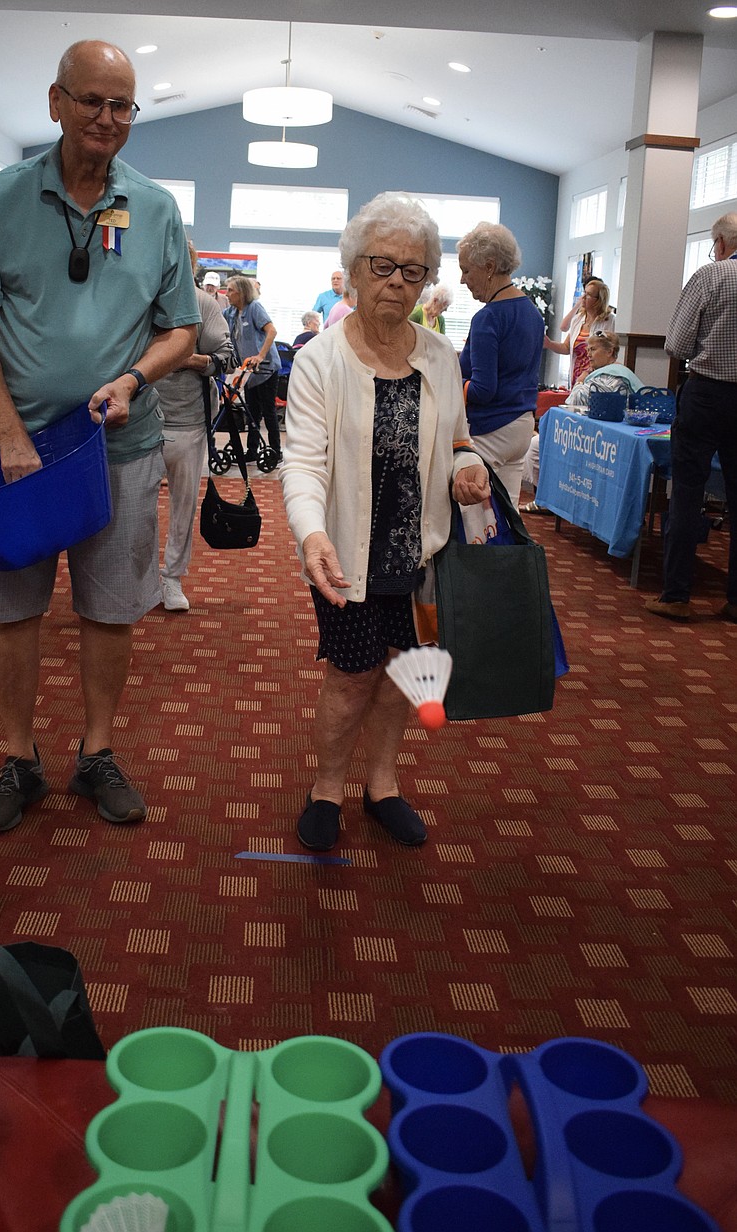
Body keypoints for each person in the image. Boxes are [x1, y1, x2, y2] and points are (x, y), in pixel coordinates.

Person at [0, 39, 199, 833]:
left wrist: (133, 380)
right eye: (92, 100)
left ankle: (97, 753)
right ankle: (18, 758)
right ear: (56, 102)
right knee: (11, 606)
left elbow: (181, 330)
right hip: (13, 447)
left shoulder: (154, 208)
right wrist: (10, 433)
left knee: (112, 608)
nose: (107, 118)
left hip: (117, 444)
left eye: (122, 105)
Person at [281, 191, 489, 853]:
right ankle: (326, 789)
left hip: (422, 553)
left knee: (404, 668)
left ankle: (382, 784)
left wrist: (468, 465)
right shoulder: (320, 360)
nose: (397, 281)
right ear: (353, 269)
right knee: (351, 676)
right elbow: (302, 464)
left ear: (427, 280)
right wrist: (311, 532)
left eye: (413, 269)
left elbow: (458, 439)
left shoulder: (440, 354)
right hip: (345, 552)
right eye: (382, 265)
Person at [645, 212, 737, 624]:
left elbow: (677, 345)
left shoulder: (710, 276)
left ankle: (677, 595)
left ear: (721, 243)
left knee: (686, 492)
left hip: (706, 395)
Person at [156, 241, 232, 612]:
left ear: (190, 265)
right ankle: (141, 578)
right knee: (133, 507)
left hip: (188, 422)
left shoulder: (203, 304)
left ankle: (172, 577)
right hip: (138, 420)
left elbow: (225, 358)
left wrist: (184, 359)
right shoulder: (142, 299)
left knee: (183, 506)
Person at [457, 222, 545, 507]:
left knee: (472, 516)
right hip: (521, 426)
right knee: (507, 514)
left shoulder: (488, 317)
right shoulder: (533, 313)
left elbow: (483, 390)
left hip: (490, 428)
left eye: (466, 270)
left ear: (489, 267)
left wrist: (450, 383)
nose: (462, 280)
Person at [520, 331, 644, 512]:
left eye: (593, 349)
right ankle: (549, 499)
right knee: (538, 444)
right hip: (593, 431)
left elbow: (575, 400)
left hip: (603, 438)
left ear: (610, 351)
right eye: (588, 350)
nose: (589, 355)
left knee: (537, 445)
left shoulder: (614, 376)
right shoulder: (604, 373)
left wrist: (579, 381)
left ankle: (550, 500)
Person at [223, 274, 281, 463]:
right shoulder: (231, 313)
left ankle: (276, 451)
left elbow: (272, 331)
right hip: (248, 370)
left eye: (230, 290)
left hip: (266, 368)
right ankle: (252, 450)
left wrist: (261, 356)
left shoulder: (254, 308)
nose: (227, 294)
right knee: (252, 411)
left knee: (268, 411)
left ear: (241, 293)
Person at [544, 277, 615, 386]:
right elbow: (567, 347)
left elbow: (611, 353)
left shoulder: (609, 320)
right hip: (576, 376)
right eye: (584, 293)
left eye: (588, 295)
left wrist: (588, 372)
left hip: (598, 379)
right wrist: (549, 344)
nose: (583, 297)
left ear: (598, 300)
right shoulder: (578, 319)